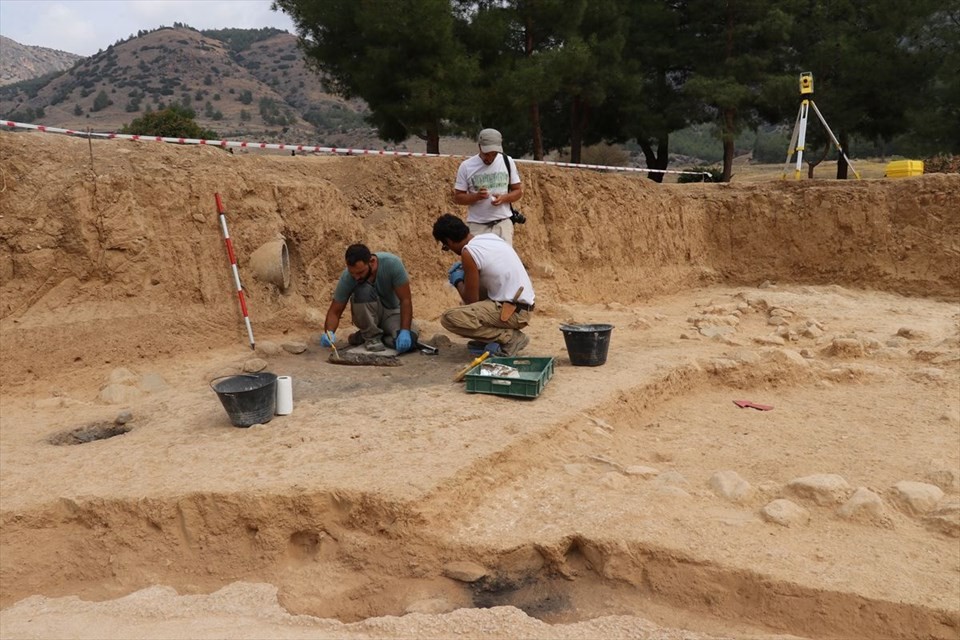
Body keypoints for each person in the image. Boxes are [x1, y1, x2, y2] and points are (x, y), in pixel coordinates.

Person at [432, 213, 534, 355]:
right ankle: (493, 339)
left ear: (449, 241)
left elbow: (471, 301)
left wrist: (458, 281)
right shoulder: (490, 238)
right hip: (522, 307)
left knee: (450, 318)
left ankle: (508, 338)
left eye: (446, 246)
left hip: (513, 311)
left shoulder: (469, 252)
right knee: (478, 296)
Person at [320, 244, 418, 353]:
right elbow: (335, 311)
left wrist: (404, 331)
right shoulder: (348, 277)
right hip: (368, 316)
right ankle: (371, 337)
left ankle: (370, 337)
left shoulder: (392, 264)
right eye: (352, 273)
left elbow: (405, 300)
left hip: (392, 313)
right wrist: (329, 333)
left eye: (360, 272)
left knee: (411, 342)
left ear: (372, 262)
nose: (356, 277)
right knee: (363, 290)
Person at [453, 128, 523, 246]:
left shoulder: (507, 161)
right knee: (480, 263)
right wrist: (477, 196)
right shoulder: (466, 166)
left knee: (502, 262)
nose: (489, 158)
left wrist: (503, 198)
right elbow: (458, 197)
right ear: (480, 147)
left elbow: (518, 191)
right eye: (486, 154)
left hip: (502, 224)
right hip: (477, 226)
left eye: (494, 154)